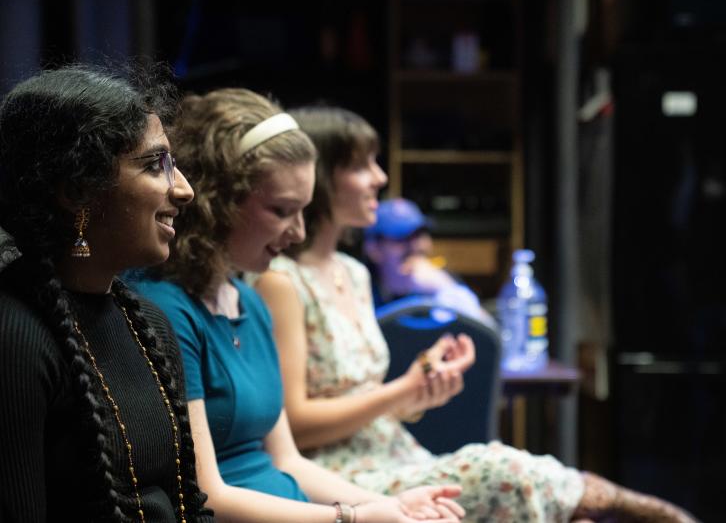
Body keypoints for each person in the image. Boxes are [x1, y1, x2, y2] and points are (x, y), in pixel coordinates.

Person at [255, 105, 699, 523]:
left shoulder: (353, 273)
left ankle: (646, 511)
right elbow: (296, 425)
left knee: (543, 491)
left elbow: (367, 401)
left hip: (397, 452)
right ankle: (652, 510)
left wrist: (420, 392)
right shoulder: (282, 281)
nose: (380, 177)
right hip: (340, 475)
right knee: (503, 467)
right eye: (360, 165)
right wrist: (399, 392)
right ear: (320, 179)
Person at [131, 87, 465, 523]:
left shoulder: (249, 301)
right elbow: (207, 496)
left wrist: (391, 507)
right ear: (217, 201)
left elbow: (287, 461)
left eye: (305, 211)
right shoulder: (168, 309)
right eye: (282, 210)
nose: (299, 232)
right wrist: (355, 518)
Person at [0, 64, 212, 521]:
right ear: (78, 190)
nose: (185, 190)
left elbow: (187, 503)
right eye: (156, 165)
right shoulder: (15, 335)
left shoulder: (150, 325)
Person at [363, 197, 494, 327]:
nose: (418, 245)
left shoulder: (442, 282)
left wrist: (444, 287)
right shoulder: (360, 290)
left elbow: (490, 335)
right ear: (373, 249)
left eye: (420, 234)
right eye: (402, 236)